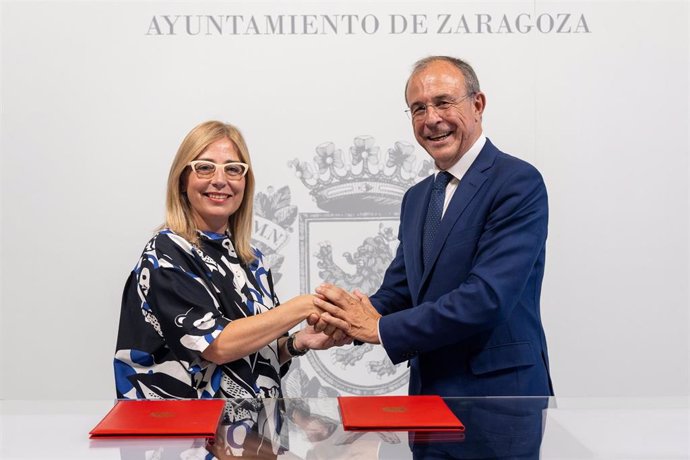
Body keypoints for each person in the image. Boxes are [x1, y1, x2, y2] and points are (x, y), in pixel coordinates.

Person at [312, 56, 554, 397]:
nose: (432, 119)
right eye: (418, 108)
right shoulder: (417, 197)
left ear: (477, 104)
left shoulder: (517, 182)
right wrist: (341, 322)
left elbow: (487, 298)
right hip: (428, 396)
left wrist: (378, 328)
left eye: (443, 103)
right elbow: (401, 291)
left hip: (501, 397)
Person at [114, 120, 346, 400]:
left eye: (233, 169)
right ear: (182, 180)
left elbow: (248, 359)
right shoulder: (166, 253)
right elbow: (218, 346)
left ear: (245, 183)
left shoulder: (252, 260)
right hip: (182, 437)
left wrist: (295, 343)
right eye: (205, 167)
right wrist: (305, 305)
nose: (220, 180)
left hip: (250, 436)